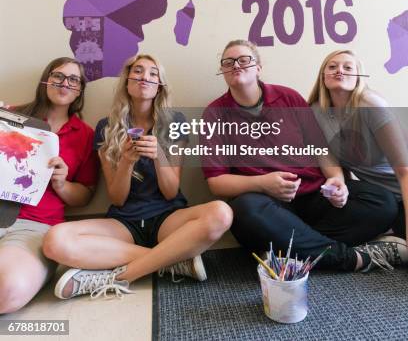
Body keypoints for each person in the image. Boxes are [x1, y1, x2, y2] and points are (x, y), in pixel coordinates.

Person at [202, 39, 407, 272]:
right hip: (267, 204)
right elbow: (216, 183)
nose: (236, 65)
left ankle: (293, 250)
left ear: (258, 68)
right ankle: (355, 259)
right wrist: (262, 183)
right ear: (223, 71)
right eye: (228, 62)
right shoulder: (214, 114)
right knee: (244, 211)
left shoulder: (289, 98)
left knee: (382, 202)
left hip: (313, 196)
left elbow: (321, 150)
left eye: (244, 60)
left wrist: (337, 180)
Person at [44, 53, 232, 299]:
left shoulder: (174, 122)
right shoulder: (106, 127)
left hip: (168, 218)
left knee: (221, 212)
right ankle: (172, 260)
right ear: (127, 81)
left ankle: (119, 277)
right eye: (138, 71)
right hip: (124, 222)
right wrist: (125, 163)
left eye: (153, 73)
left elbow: (171, 192)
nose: (145, 77)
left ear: (160, 86)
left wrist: (159, 156)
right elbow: (118, 198)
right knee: (54, 240)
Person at [0, 57, 98, 314]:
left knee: (8, 290)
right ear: (45, 80)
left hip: (36, 226)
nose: (65, 83)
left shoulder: (85, 134)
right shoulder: (11, 116)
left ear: (80, 90)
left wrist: (62, 183)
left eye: (74, 79)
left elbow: (84, 196)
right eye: (57, 76)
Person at [309, 49, 408, 251]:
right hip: (380, 197)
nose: (340, 71)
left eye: (348, 67)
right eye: (332, 66)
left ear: (358, 77)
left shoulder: (371, 105)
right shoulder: (315, 111)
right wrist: (338, 183)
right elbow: (327, 157)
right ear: (323, 76)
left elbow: (404, 171)